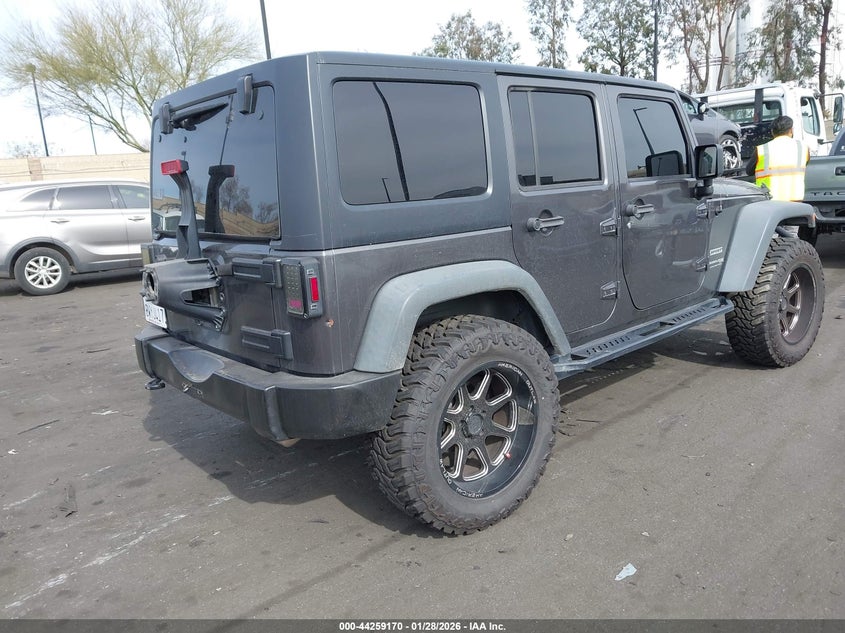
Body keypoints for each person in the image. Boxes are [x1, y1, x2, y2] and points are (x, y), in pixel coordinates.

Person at [746, 115, 810, 201]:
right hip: (796, 203)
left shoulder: (762, 149)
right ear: (791, 130)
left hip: (770, 203)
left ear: (772, 132)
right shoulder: (803, 148)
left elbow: (749, 171)